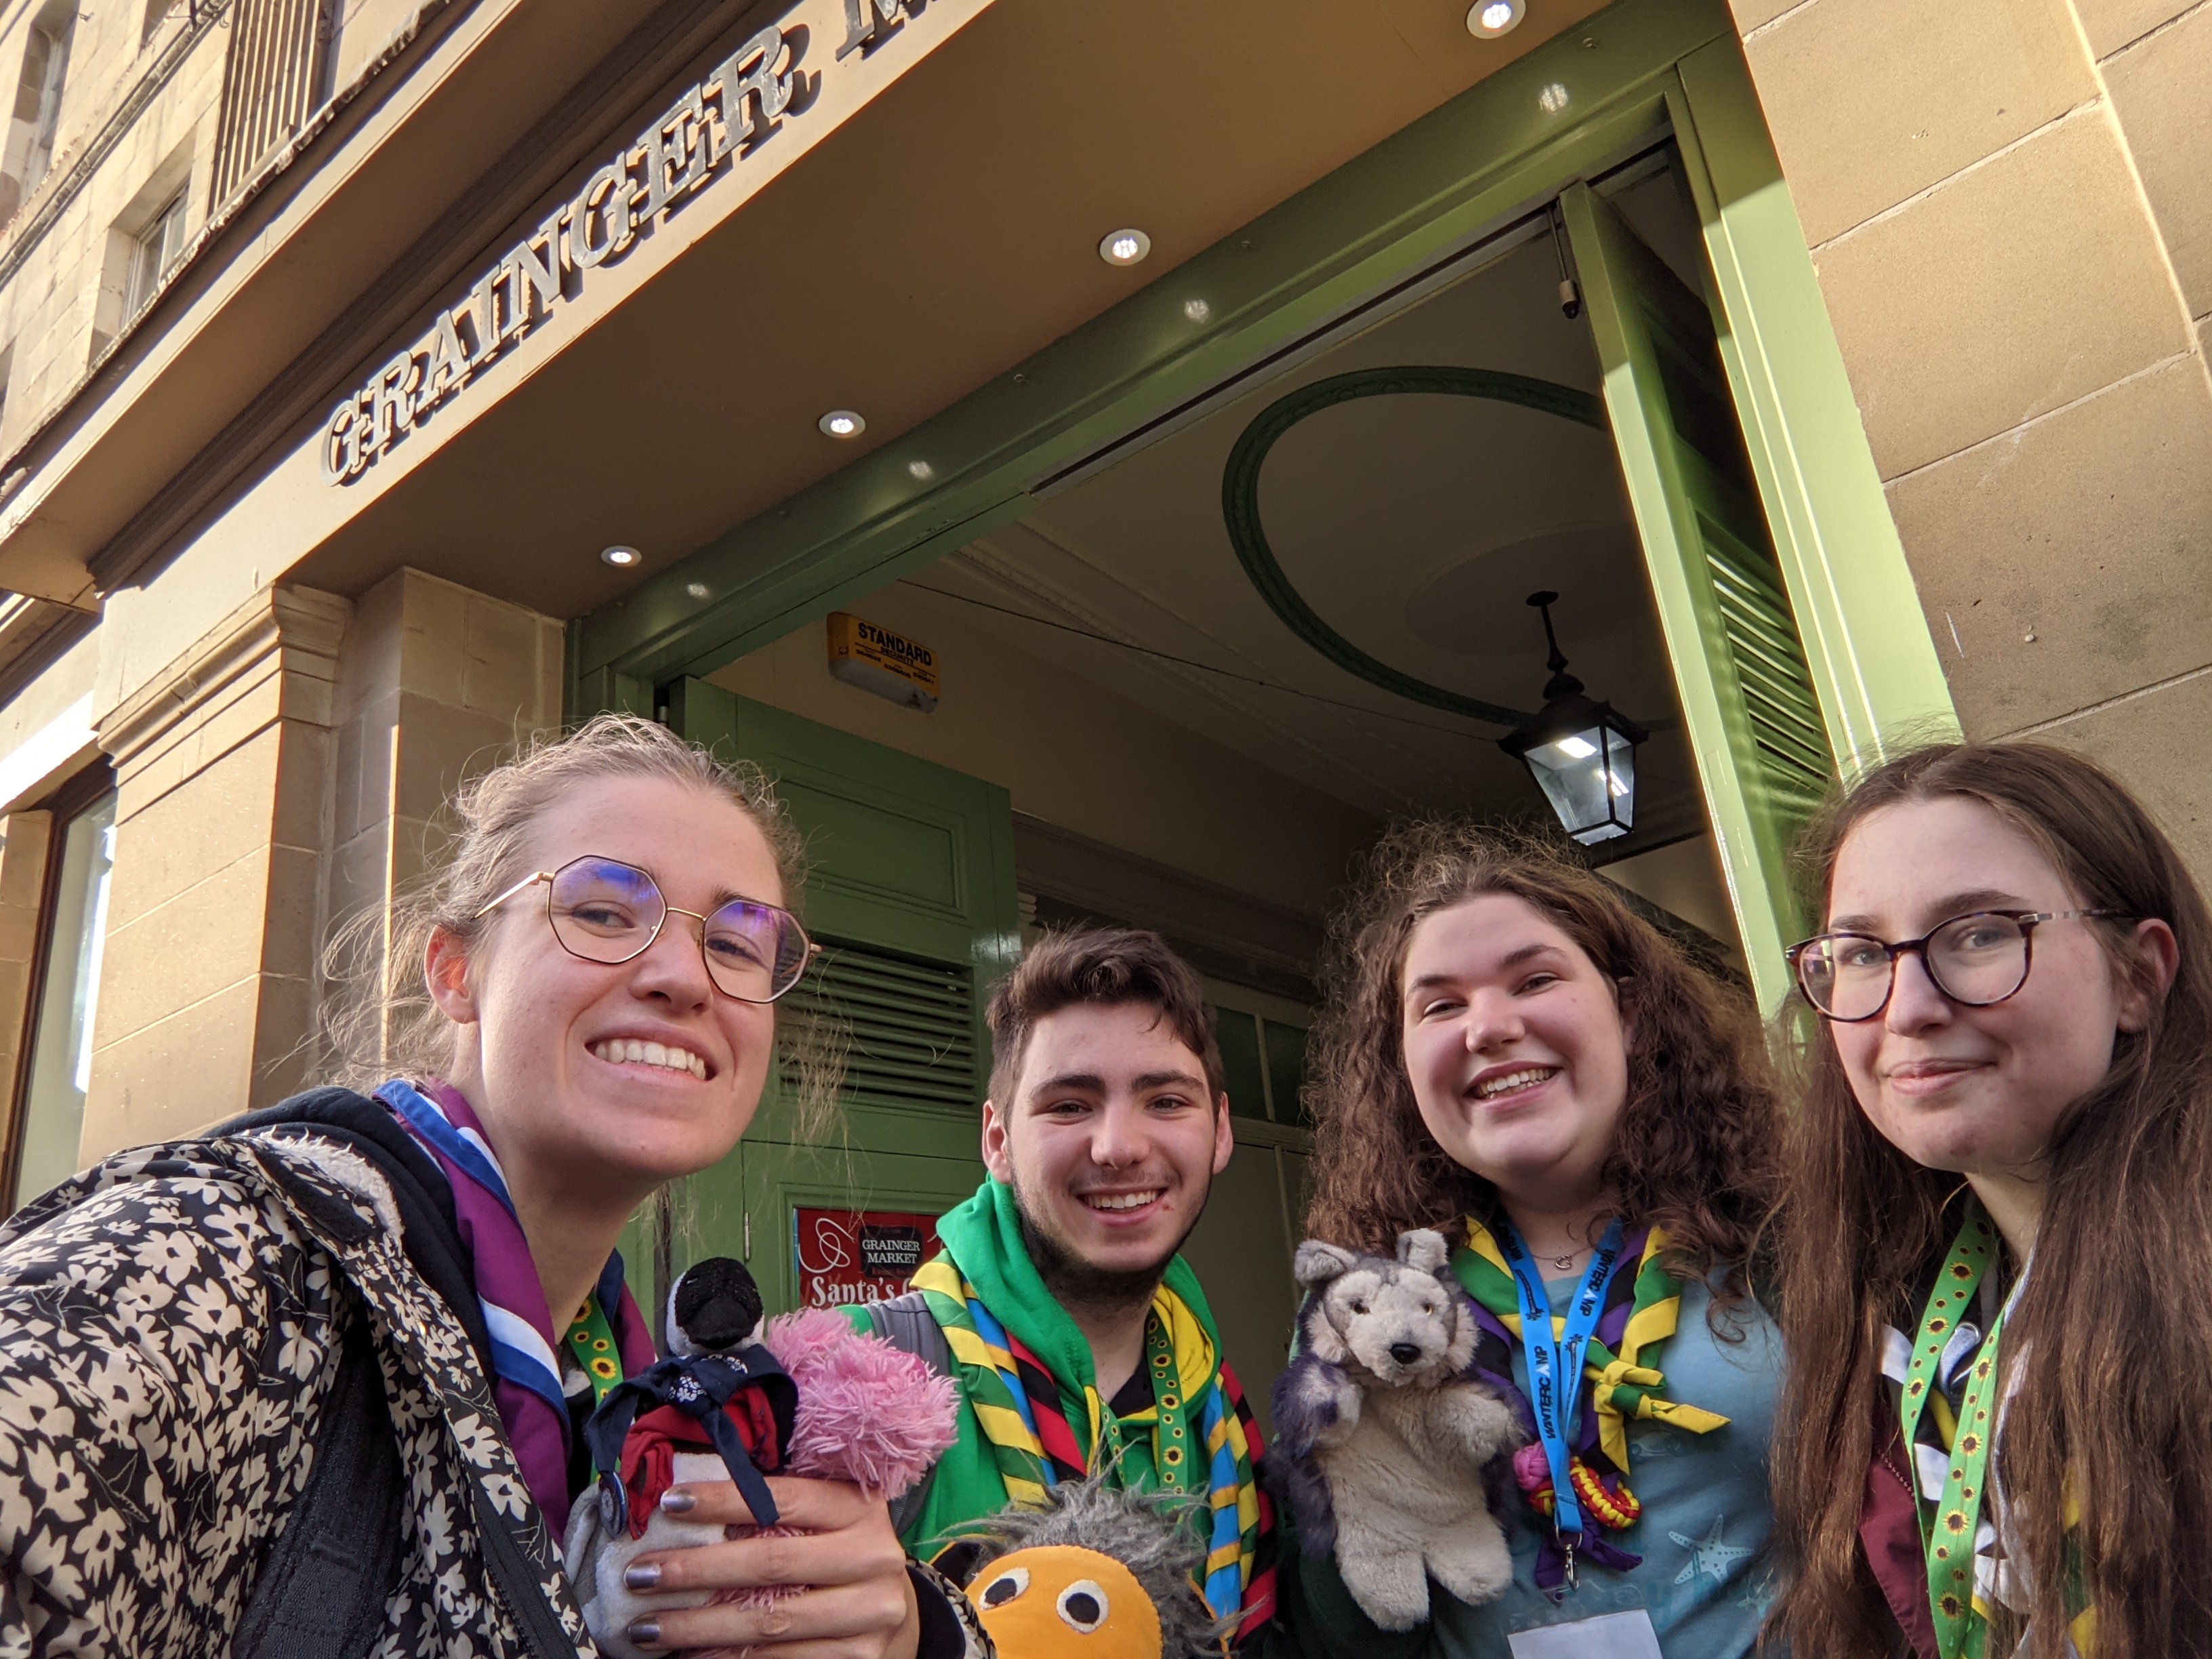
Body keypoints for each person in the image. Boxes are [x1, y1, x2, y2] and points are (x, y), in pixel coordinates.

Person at [0, 713, 924, 1658]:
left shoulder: (615, 1372)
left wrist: (913, 1634)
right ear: (456, 972)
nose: (685, 975)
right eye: (604, 912)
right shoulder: (226, 1266)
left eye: (736, 943)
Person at [1271, 822, 1782, 1659]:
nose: (1489, 1027)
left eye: (1535, 979)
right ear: (1401, 1065)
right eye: (1440, 1005)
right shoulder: (1362, 1310)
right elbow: (1345, 1628)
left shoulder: (1781, 1242)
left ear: (1629, 1011)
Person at [1768, 741, 2211, 1659]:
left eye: (1978, 934)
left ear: (2137, 974)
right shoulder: (1893, 1302)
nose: (1904, 1009)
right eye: (1858, 953)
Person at [849, 926, 1279, 1639]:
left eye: (1167, 1101)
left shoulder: (1225, 1415)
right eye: (1069, 1105)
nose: (1119, 1148)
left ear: (1221, 1132)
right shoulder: (864, 1375)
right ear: (998, 1142)